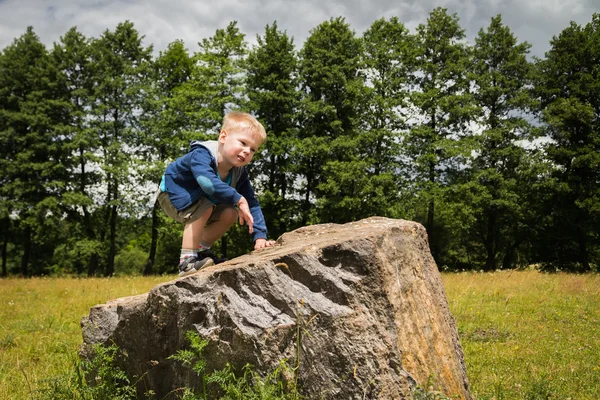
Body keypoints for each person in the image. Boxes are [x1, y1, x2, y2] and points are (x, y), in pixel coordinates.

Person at [157, 111, 276, 277]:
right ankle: (186, 262)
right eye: (242, 142)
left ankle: (200, 252)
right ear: (223, 137)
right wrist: (238, 199)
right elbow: (207, 183)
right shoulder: (202, 154)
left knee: (229, 214)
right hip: (172, 194)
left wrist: (260, 237)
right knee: (205, 207)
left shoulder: (239, 172)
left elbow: (251, 202)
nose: (247, 151)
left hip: (201, 201)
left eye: (253, 149)